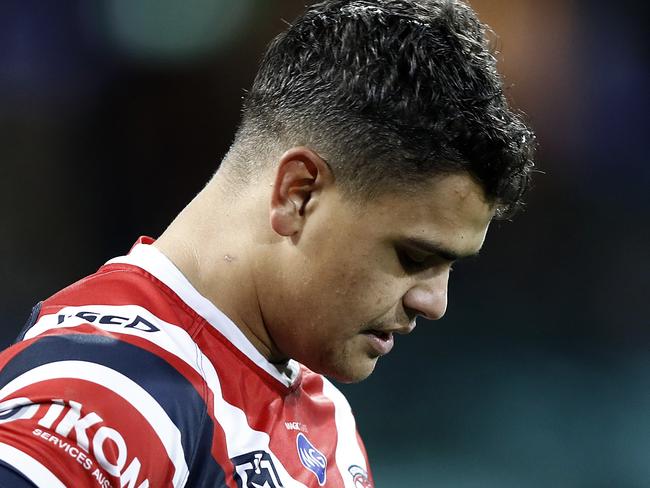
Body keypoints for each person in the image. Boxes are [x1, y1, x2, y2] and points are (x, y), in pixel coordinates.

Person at [0, 0, 535, 486]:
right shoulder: (111, 394)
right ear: (298, 194)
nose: (434, 303)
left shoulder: (328, 427)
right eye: (414, 257)